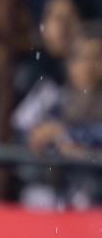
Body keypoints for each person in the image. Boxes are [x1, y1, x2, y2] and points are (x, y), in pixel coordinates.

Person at [14, 22, 102, 208]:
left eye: (96, 57)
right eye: (79, 57)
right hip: (53, 191)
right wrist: (45, 139)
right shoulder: (50, 93)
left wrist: (66, 131)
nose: (87, 65)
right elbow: (20, 132)